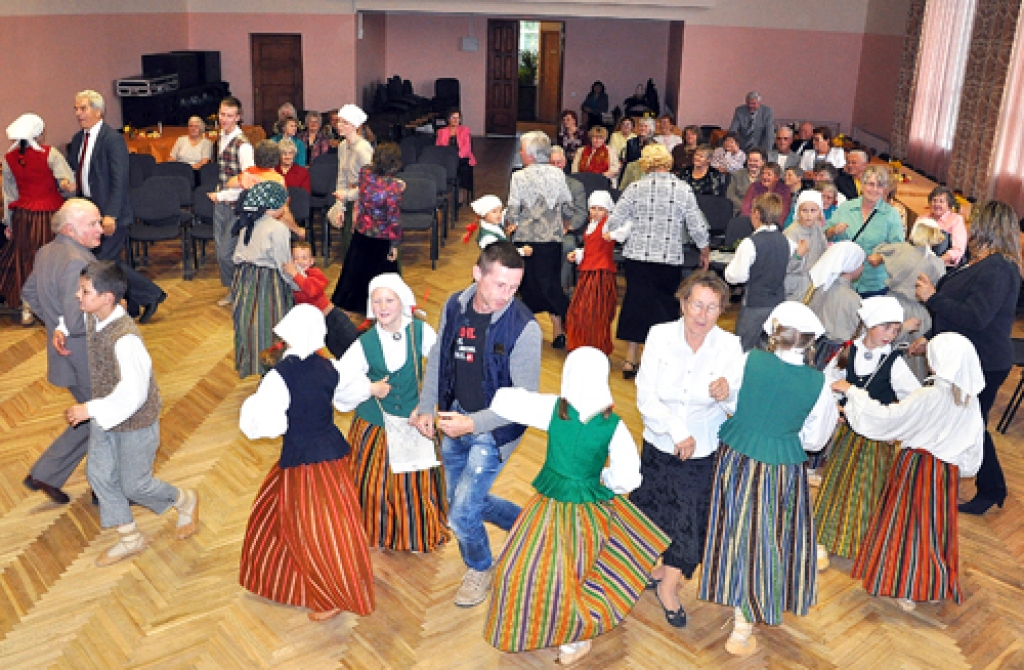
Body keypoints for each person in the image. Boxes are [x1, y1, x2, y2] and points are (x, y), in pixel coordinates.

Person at [484, 347, 669, 666]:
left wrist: (508, 376)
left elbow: (502, 400)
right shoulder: (613, 425)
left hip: (550, 505)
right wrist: (602, 480)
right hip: (586, 510)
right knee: (575, 573)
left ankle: (547, 629)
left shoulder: (554, 409)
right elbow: (628, 478)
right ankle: (571, 638)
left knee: (525, 566)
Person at [699, 301, 838, 656]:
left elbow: (729, 399)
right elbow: (816, 439)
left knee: (733, 527)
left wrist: (751, 420)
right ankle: (743, 627)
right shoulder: (817, 383)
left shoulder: (751, 360)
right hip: (779, 466)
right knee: (765, 537)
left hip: (736, 456)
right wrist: (783, 432)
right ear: (809, 342)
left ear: (774, 330)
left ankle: (732, 591)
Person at [412, 241, 542, 608]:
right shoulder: (454, 305)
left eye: (514, 287)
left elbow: (524, 404)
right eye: (500, 285)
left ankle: (481, 566)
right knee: (462, 499)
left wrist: (473, 424)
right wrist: (427, 405)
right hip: (455, 417)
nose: (507, 295)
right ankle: (525, 524)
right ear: (477, 274)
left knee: (461, 512)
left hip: (494, 432)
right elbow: (440, 355)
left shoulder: (525, 329)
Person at [238, 304, 375, 621]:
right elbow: (346, 393)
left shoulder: (280, 376)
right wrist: (372, 388)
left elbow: (266, 424)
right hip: (331, 452)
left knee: (314, 527)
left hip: (304, 460)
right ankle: (297, 580)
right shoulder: (329, 367)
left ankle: (331, 593)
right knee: (311, 517)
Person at [64, 261, 199, 566]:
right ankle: (131, 538)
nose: (78, 295)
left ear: (107, 298)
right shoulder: (94, 315)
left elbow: (134, 394)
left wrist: (89, 409)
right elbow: (70, 318)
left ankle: (185, 500)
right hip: (106, 414)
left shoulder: (125, 340)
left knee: (134, 485)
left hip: (136, 422)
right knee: (98, 474)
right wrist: (60, 329)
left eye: (85, 291)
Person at [837, 332, 984, 612]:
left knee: (907, 527)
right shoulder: (970, 401)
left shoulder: (928, 396)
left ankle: (906, 585)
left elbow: (888, 420)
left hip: (917, 469)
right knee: (935, 527)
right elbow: (974, 455)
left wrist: (853, 392)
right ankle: (932, 584)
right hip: (947, 474)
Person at [631, 271, 743, 629]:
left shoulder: (729, 346)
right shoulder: (660, 336)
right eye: (697, 305)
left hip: (704, 449)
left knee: (689, 521)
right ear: (683, 303)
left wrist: (730, 395)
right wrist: (677, 431)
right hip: (660, 442)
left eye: (713, 308)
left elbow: (737, 408)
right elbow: (645, 396)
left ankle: (668, 587)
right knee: (653, 512)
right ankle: (659, 567)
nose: (703, 315)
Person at [912, 200, 1021, 516]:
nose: (970, 227)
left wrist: (933, 297)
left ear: (988, 226)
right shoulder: (983, 261)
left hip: (984, 361)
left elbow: (975, 317)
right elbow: (960, 314)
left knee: (973, 425)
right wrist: (931, 340)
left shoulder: (999, 267)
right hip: (969, 356)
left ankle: (990, 489)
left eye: (976, 222)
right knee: (970, 423)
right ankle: (986, 487)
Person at [336, 274, 449, 553]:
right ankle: (376, 533)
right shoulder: (365, 343)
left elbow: (443, 370)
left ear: (402, 302)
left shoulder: (421, 332)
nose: (383, 307)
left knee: (414, 487)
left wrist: (426, 405)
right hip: (376, 425)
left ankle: (415, 536)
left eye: (389, 300)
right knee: (375, 486)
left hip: (414, 422)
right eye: (377, 301)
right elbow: (338, 383)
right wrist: (370, 388)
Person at [813, 297, 920, 568]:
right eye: (886, 328)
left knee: (867, 488)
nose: (891, 335)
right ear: (870, 325)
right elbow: (826, 380)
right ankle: (824, 537)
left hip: (876, 440)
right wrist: (834, 406)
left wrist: (895, 420)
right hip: (847, 434)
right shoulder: (848, 351)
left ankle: (860, 542)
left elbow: (915, 397)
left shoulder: (894, 362)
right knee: (837, 484)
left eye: (896, 330)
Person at [20, 199, 103, 503]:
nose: (100, 229)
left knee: (94, 416)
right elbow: (78, 317)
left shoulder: (47, 251)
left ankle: (45, 474)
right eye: (92, 224)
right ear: (70, 228)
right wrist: (111, 310)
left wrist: (55, 326)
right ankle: (104, 490)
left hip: (66, 355)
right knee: (110, 417)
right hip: (83, 357)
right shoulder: (76, 260)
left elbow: (28, 292)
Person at [605, 144, 710, 377]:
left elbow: (613, 220)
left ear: (646, 164)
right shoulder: (682, 189)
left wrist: (622, 229)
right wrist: (704, 249)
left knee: (635, 303)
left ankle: (630, 360)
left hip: (637, 256)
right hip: (668, 257)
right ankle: (660, 361)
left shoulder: (635, 188)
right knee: (664, 308)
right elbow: (696, 224)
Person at [68, 90, 166, 321]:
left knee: (103, 263)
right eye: (76, 109)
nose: (78, 113)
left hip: (111, 213)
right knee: (110, 263)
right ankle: (136, 301)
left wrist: (110, 214)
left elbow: (120, 179)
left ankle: (150, 294)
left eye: (83, 108)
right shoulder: (77, 139)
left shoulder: (112, 139)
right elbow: (77, 171)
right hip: (89, 214)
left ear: (98, 110)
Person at [1, 113, 74, 325]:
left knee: (26, 260)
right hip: (50, 216)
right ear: (39, 134)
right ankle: (55, 306)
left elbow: (10, 196)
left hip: (24, 218)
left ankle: (28, 308)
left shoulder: (8, 159)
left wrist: (9, 222)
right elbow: (67, 183)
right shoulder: (50, 154)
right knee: (53, 261)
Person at [506, 131, 572, 348]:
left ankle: (523, 332)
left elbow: (513, 208)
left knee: (526, 286)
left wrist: (508, 225)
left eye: (522, 149)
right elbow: (568, 205)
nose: (520, 153)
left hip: (525, 240)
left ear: (532, 155)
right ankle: (558, 331)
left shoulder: (519, 176)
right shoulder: (558, 174)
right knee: (551, 283)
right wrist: (565, 225)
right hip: (552, 239)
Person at [231, 181, 295, 378]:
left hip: (244, 280)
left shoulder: (247, 223)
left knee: (249, 327)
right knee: (271, 326)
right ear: (274, 205)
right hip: (267, 283)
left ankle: (258, 368)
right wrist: (295, 283)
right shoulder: (278, 229)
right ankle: (275, 372)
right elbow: (284, 263)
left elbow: (237, 256)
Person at [331, 142, 404, 315]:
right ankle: (380, 309)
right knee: (382, 278)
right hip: (382, 237)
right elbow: (393, 219)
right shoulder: (393, 188)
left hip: (362, 231)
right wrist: (394, 245)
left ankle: (351, 309)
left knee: (355, 273)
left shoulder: (365, 172)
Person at [725, 194, 795, 351]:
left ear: (756, 213)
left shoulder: (750, 243)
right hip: (777, 303)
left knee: (742, 348)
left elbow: (737, 276)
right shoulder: (787, 241)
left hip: (754, 304)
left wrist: (728, 270)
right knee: (769, 347)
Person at [827, 165, 905, 297]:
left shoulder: (891, 214)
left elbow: (898, 248)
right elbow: (825, 235)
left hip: (874, 283)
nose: (874, 189)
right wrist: (833, 230)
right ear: (862, 185)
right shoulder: (846, 207)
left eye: (879, 185)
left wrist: (881, 258)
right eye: (870, 184)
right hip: (843, 280)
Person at [207, 96, 253, 306]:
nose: (224, 119)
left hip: (237, 207)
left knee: (227, 253)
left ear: (238, 117)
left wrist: (223, 195)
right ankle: (234, 291)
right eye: (222, 114)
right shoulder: (221, 139)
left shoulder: (243, 146)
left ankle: (243, 289)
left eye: (229, 115)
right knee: (220, 251)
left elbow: (247, 181)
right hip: (221, 204)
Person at [282, 240, 358, 359]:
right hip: (320, 325)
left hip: (334, 318)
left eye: (304, 258)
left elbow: (311, 290)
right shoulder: (293, 281)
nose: (300, 261)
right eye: (296, 258)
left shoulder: (315, 273)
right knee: (338, 352)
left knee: (355, 346)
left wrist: (295, 274)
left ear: (312, 261)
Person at [565, 191, 618, 355]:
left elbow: (625, 226)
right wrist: (579, 254)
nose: (595, 212)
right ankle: (582, 344)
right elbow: (591, 249)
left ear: (607, 210)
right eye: (593, 208)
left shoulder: (609, 225)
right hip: (587, 271)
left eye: (600, 209)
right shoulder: (591, 225)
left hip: (600, 273)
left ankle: (595, 346)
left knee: (595, 311)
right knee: (580, 310)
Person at [329, 104, 374, 256]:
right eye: (339, 121)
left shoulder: (363, 148)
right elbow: (341, 177)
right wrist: (339, 205)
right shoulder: (342, 146)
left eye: (344, 122)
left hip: (363, 202)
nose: (339, 125)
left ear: (355, 126)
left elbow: (370, 184)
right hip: (348, 198)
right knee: (349, 247)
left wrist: (347, 195)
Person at [806, 241, 866, 341]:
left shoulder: (819, 286)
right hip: (840, 351)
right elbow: (862, 332)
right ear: (852, 265)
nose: (862, 267)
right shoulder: (853, 298)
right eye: (861, 263)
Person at [783, 190, 829, 301]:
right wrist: (797, 256)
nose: (809, 215)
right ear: (798, 211)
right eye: (804, 210)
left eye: (813, 211)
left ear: (820, 212)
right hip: (794, 288)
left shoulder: (817, 229)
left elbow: (824, 252)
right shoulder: (791, 233)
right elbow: (784, 267)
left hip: (812, 285)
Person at [928, 186, 968, 266]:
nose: (937, 204)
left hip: (943, 265)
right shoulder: (923, 218)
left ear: (949, 205)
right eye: (934, 200)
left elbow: (958, 250)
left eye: (941, 201)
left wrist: (937, 262)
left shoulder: (956, 220)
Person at [725, 147, 765, 214]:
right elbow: (730, 195)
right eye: (750, 160)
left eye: (756, 161)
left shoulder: (766, 177)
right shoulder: (737, 174)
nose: (752, 163)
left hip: (760, 214)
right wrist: (745, 208)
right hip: (738, 212)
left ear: (763, 162)